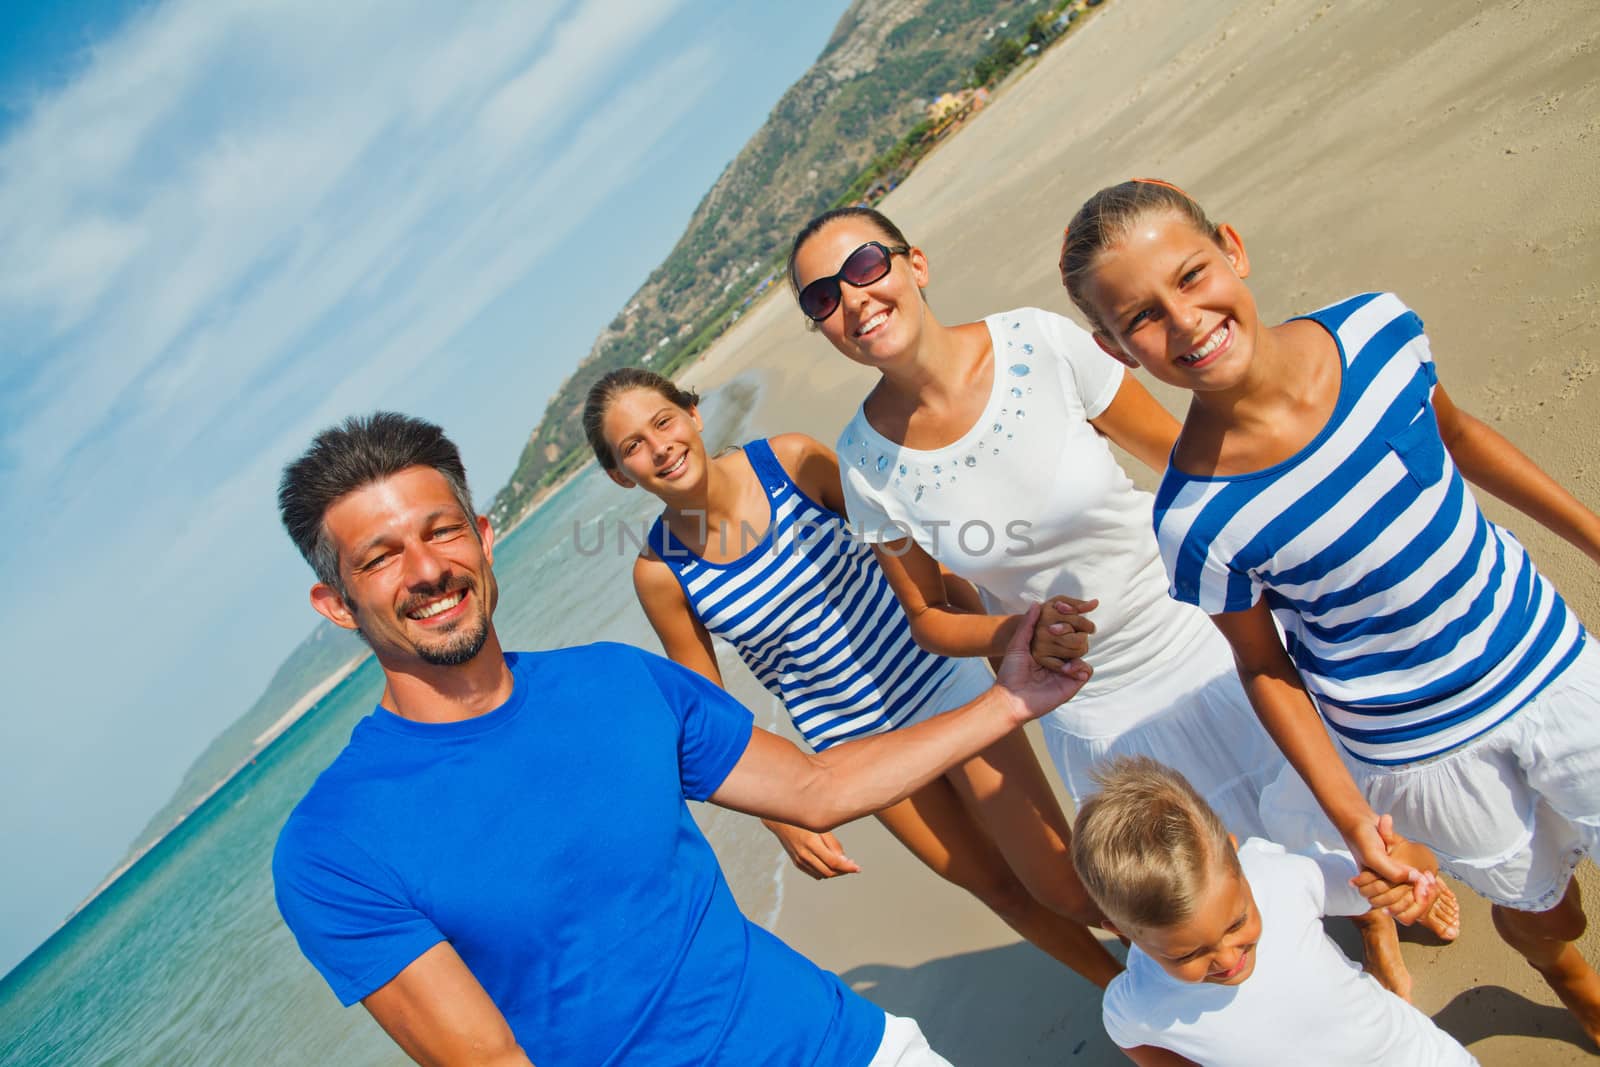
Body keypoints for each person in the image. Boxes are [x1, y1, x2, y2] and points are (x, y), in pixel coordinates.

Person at [270, 411, 1094, 1067]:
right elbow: (487, 1059)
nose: (425, 570)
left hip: (853, 1046)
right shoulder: (333, 846)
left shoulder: (616, 681)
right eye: (380, 557)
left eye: (440, 531)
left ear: (484, 539)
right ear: (336, 602)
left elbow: (816, 788)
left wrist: (1011, 700)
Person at [785, 208, 1454, 995]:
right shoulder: (864, 460)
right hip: (1093, 704)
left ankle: (1374, 924)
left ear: (914, 264)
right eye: (822, 297)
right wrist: (1012, 631)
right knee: (1210, 878)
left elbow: (1184, 461)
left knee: (1328, 810)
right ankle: (1315, 979)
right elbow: (929, 620)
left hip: (1199, 628)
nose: (851, 299)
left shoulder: (1038, 342)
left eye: (865, 266)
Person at [1059, 177, 1600, 1043]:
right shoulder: (1196, 516)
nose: (1185, 319)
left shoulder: (1380, 331)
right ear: (1117, 348)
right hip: (1419, 749)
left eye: (1192, 276)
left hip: (1544, 653)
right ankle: (1571, 978)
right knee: (1545, 905)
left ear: (1232, 248)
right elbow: (1264, 664)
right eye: (1144, 318)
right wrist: (1353, 817)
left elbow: (1460, 441)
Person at [583, 368, 1120, 989]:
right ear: (621, 475)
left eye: (663, 422)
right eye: (633, 447)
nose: (659, 447)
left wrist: (993, 640)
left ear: (694, 415)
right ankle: (1126, 1006)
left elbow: (915, 555)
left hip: (944, 685)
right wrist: (782, 816)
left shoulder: (789, 463)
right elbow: (709, 711)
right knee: (999, 889)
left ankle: (1181, 955)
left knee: (1058, 879)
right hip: (853, 749)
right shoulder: (660, 573)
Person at [1072, 756, 1477, 1066]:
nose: (1228, 958)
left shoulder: (1278, 878)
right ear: (1124, 932)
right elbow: (1127, 1034)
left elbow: (1387, 879)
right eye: (1188, 954)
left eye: (1236, 923)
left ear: (1237, 857)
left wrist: (1408, 874)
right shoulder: (1140, 1002)